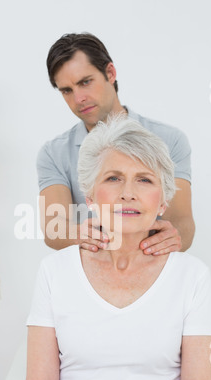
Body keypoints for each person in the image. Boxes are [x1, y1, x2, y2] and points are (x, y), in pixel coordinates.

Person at [15, 115, 211, 380]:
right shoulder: (54, 271)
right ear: (91, 197)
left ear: (163, 202)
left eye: (144, 180)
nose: (128, 194)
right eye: (113, 178)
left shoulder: (193, 276)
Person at [38, 33, 195, 255]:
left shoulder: (170, 140)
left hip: (153, 268)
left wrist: (173, 235)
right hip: (91, 272)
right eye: (67, 90)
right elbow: (54, 228)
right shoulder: (54, 153)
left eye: (85, 82)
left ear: (110, 73)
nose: (78, 98)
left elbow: (182, 221)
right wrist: (80, 235)